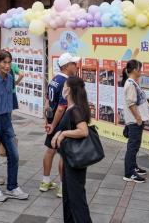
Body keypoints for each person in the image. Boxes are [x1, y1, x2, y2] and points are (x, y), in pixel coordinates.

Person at [0, 51, 29, 202]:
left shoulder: (10, 78)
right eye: (4, 62)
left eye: (9, 62)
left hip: (6, 121)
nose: (7, 66)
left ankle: (12, 187)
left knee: (14, 155)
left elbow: (11, 97)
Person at [50, 77, 93, 223]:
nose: (63, 88)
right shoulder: (71, 107)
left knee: (77, 200)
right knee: (68, 197)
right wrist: (57, 132)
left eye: (65, 86)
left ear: (68, 90)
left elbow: (83, 131)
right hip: (69, 159)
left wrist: (63, 134)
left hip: (76, 161)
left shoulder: (75, 109)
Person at [42, 52, 80, 198]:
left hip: (53, 120)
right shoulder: (66, 82)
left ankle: (45, 182)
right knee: (63, 155)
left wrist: (48, 121)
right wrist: (54, 125)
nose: (76, 66)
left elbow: (48, 102)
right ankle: (63, 187)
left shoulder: (54, 79)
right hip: (62, 122)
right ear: (66, 66)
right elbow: (60, 107)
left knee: (50, 150)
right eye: (73, 64)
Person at [122, 59, 148, 183]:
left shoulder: (133, 82)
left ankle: (133, 167)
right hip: (134, 121)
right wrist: (138, 118)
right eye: (139, 68)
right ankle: (129, 173)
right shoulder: (130, 84)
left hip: (136, 120)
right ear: (134, 70)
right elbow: (131, 103)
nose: (141, 71)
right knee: (132, 147)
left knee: (135, 146)